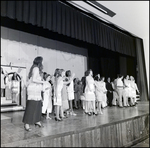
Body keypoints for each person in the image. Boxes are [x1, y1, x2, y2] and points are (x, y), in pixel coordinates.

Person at [22, 56, 45, 131]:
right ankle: (26, 124)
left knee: (38, 106)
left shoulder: (35, 69)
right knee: (31, 107)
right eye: (42, 61)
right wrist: (43, 82)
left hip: (36, 91)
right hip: (33, 91)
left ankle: (37, 121)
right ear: (40, 62)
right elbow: (34, 79)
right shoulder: (36, 69)